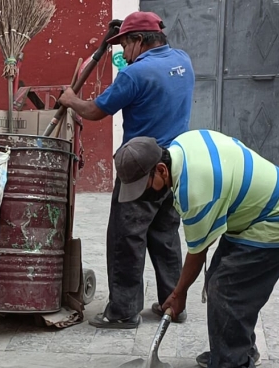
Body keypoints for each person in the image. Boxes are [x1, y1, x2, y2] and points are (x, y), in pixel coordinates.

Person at [114, 130, 279, 368]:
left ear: (161, 170)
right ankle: (237, 350)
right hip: (251, 213)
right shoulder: (181, 144)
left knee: (227, 288)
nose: (144, 194)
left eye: (145, 185)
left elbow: (198, 252)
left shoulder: (195, 191)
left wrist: (178, 293)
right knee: (224, 278)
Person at [59, 11, 195, 329]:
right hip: (176, 160)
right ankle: (172, 305)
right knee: (164, 234)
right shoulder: (183, 61)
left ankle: (122, 311)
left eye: (125, 45)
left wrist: (70, 100)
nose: (122, 53)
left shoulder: (135, 75)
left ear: (138, 41)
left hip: (142, 162)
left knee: (126, 236)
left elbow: (95, 111)